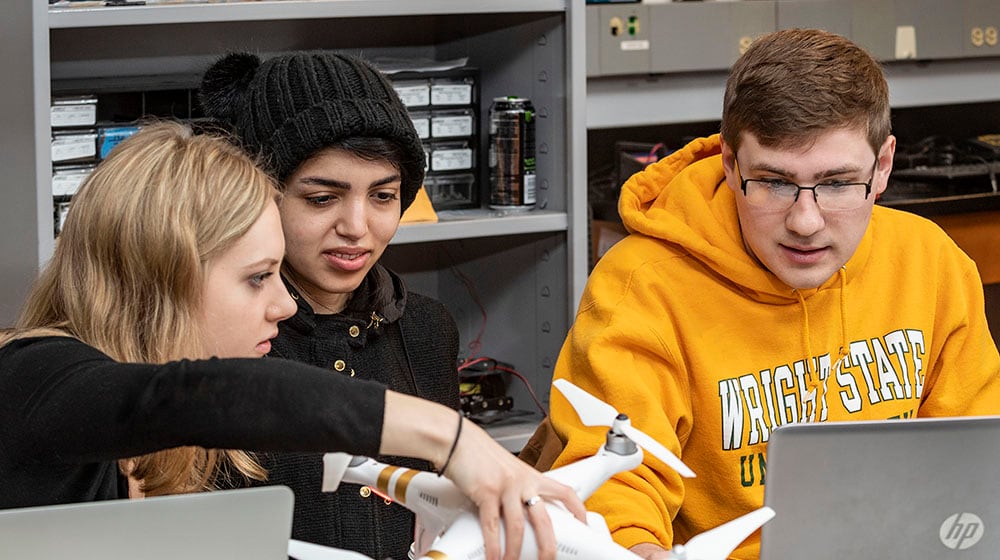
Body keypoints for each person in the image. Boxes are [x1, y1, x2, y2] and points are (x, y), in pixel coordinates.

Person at [0, 121, 585, 560]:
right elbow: (199, 395)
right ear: (159, 278)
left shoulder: (167, 440)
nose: (282, 305)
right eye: (257, 279)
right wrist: (454, 439)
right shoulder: (34, 376)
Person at [545, 28, 1000, 560]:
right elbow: (616, 483)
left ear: (883, 167)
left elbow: (976, 459)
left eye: (836, 183)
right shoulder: (642, 286)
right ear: (731, 165)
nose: (804, 222)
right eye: (774, 182)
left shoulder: (932, 261)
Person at [197, 51, 462, 559]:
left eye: (383, 196)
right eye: (322, 199)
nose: (357, 227)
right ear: (259, 195)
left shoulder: (428, 328)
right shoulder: (226, 335)